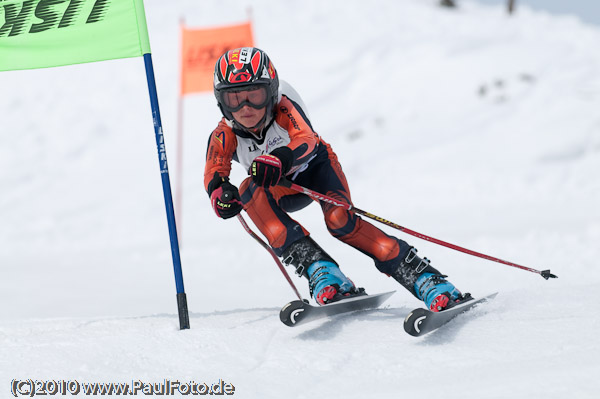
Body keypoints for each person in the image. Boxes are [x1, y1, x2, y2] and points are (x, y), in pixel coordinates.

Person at [204, 47, 468, 311]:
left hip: (316, 170)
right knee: (248, 189)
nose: (245, 108)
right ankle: (324, 274)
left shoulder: (284, 107)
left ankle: (427, 280)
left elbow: (306, 139)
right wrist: (220, 194)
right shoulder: (225, 133)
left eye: (255, 95)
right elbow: (214, 170)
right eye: (234, 99)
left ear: (271, 92)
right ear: (221, 102)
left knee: (340, 221)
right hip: (281, 190)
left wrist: (280, 159)